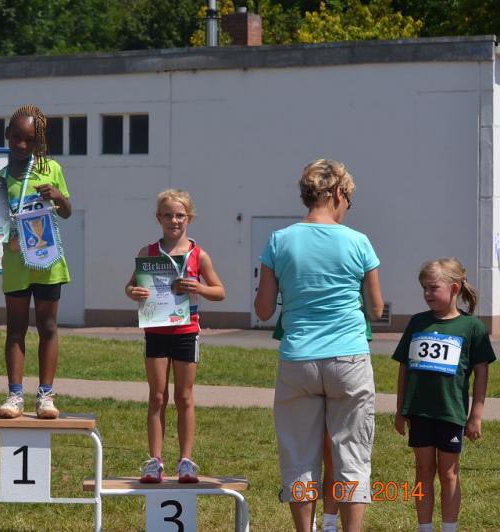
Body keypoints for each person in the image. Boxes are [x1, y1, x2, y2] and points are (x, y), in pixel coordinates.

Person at [255, 159, 384, 531]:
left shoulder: (279, 241)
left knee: (299, 459)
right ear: (338, 193)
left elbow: (263, 310)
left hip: (298, 358)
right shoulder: (359, 241)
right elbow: (376, 309)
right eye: (349, 200)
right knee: (352, 458)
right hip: (348, 358)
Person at [0, 105, 71, 419]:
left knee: (48, 326)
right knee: (15, 329)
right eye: (16, 137)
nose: (22, 144)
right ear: (7, 135)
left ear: (39, 141)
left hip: (47, 260)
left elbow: (66, 211)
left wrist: (58, 196)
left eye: (30, 140)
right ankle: (15, 395)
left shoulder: (51, 169)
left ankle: (46, 395)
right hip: (15, 263)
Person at [124, 189, 225, 483]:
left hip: (186, 331)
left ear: (189, 218)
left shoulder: (198, 255)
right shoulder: (148, 252)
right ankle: (154, 461)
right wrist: (134, 292)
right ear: (159, 218)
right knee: (157, 396)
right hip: (156, 330)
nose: (174, 220)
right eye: (168, 215)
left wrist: (198, 288)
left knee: (184, 396)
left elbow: (219, 291)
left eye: (180, 215)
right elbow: (130, 286)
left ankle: (186, 461)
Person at [393, 258, 495, 532]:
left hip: (450, 413)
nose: (427, 293)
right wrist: (400, 410)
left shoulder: (471, 327)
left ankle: (449, 527)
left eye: (433, 288)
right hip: (420, 412)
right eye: (424, 288)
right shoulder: (417, 322)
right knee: (423, 471)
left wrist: (476, 415)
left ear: (454, 288)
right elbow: (404, 368)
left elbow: (481, 372)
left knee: (449, 473)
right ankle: (424, 527)